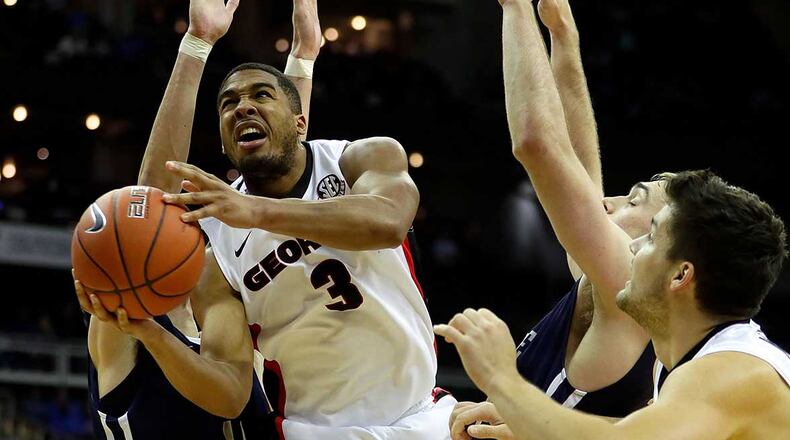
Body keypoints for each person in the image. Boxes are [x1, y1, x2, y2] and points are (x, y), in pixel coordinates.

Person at [80, 0, 456, 438]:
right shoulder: (216, 244)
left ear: (301, 123)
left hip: (419, 414)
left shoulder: (361, 158)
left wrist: (303, 60)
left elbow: (386, 222)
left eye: (260, 96)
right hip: (311, 431)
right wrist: (197, 43)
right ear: (224, 144)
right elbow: (146, 210)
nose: (242, 108)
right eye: (228, 104)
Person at [73, 0, 322, 438]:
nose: (195, 234)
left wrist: (303, 58)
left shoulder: (237, 325)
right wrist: (197, 43)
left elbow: (285, 166)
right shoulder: (127, 322)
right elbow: (147, 197)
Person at [436, 170, 790, 439]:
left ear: (681, 275)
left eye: (650, 238)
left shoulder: (729, 371)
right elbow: (632, 428)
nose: (632, 247)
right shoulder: (692, 362)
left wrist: (502, 379)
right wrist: (526, 421)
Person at [451, 0, 660, 434]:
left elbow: (537, 144)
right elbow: (579, 167)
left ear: (662, 236)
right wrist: (563, 35)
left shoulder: (627, 288)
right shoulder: (602, 281)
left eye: (634, 202)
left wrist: (514, 8)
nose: (608, 202)